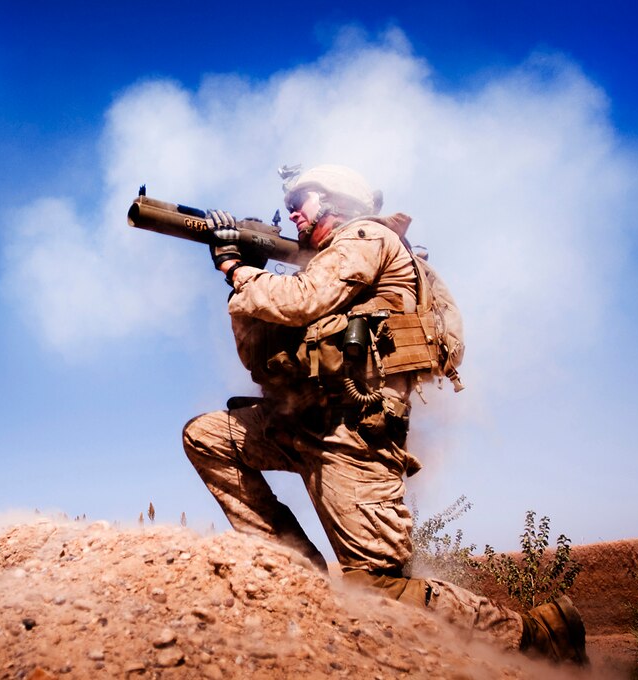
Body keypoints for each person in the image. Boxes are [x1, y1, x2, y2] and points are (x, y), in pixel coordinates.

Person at [182, 165, 587, 665]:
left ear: (336, 201)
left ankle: (536, 635)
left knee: (377, 588)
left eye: (301, 199)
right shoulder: (316, 266)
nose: (291, 210)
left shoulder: (365, 237)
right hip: (299, 422)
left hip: (354, 435)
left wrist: (238, 269)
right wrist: (240, 282)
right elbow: (256, 357)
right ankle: (297, 580)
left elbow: (305, 300)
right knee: (207, 437)